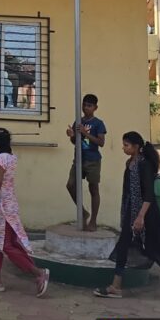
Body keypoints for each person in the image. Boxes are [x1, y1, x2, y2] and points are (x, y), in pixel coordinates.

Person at [93, 131, 160, 302]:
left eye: (126, 145)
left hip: (147, 214)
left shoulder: (144, 165)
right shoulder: (131, 163)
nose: (123, 148)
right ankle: (115, 286)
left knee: (159, 248)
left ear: (136, 147)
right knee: (123, 246)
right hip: (132, 212)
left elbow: (149, 195)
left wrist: (140, 217)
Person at [0, 128, 50, 297]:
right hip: (2, 205)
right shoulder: (10, 156)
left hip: (4, 207)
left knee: (7, 245)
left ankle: (39, 273)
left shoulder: (0, 158)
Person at [66, 93, 106, 231]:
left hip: (93, 160)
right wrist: (72, 135)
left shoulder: (98, 123)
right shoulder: (78, 121)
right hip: (78, 159)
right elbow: (75, 141)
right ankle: (83, 212)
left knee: (93, 188)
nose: (85, 108)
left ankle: (93, 221)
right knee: (70, 185)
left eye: (89, 105)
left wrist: (85, 133)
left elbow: (101, 142)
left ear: (95, 107)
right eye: (84, 105)